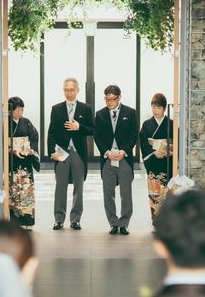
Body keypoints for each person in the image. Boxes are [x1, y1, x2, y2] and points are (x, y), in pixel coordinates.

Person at [47, 78, 94, 231]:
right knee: (60, 187)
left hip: (78, 153)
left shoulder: (85, 109)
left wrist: (79, 127)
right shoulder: (56, 109)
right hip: (61, 153)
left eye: (72, 90)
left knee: (78, 188)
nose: (69, 93)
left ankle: (75, 220)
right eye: (66, 90)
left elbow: (92, 129)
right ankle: (58, 219)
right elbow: (51, 133)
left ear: (77, 90)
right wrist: (51, 152)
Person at [94, 84, 139, 235]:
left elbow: (134, 134)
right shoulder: (100, 114)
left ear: (119, 97)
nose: (109, 102)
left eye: (112, 99)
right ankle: (113, 223)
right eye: (107, 99)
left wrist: (124, 151)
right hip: (108, 159)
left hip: (124, 158)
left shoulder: (130, 112)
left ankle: (124, 223)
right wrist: (106, 152)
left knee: (126, 193)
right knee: (108, 193)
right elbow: (97, 136)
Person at [139, 93, 173, 223]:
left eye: (159, 108)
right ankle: (156, 219)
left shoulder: (171, 124)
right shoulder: (147, 124)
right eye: (153, 107)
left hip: (167, 162)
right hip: (153, 162)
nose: (156, 111)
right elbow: (143, 143)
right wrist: (153, 153)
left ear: (164, 108)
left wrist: (170, 152)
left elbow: (176, 143)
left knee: (168, 192)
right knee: (154, 192)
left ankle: (167, 220)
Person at [8, 96, 40, 227]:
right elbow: (2, 141)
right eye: (18, 110)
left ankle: (27, 221)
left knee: (26, 191)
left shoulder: (26, 122)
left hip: (25, 162)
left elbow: (34, 137)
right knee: (13, 191)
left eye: (22, 109)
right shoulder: (5, 123)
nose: (21, 112)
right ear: (10, 110)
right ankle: (15, 221)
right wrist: (11, 149)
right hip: (12, 162)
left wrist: (31, 150)